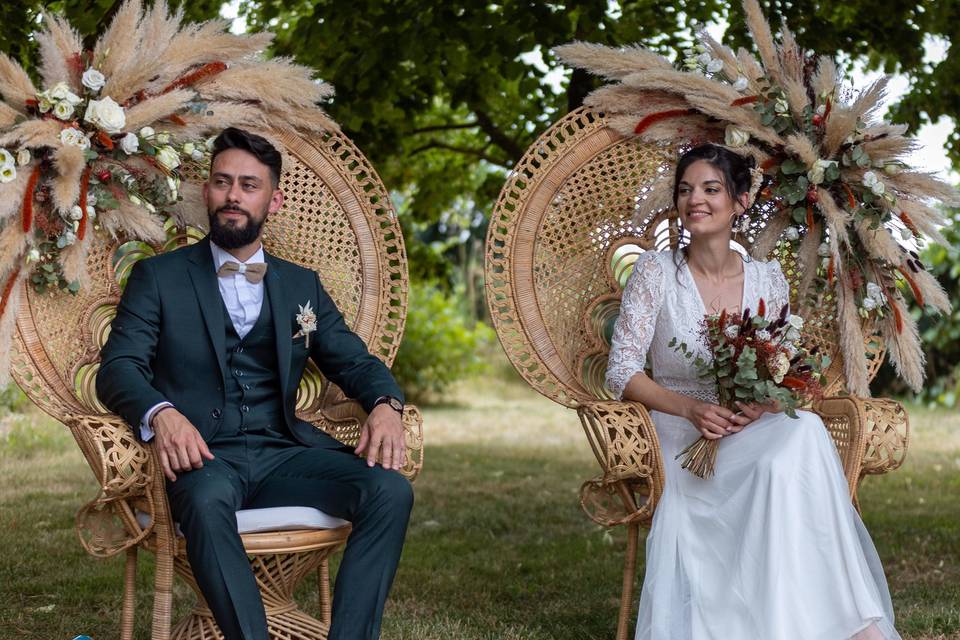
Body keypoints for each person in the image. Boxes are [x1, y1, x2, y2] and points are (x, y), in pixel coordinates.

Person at [96, 127, 413, 640]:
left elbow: (354, 361)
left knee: (388, 490)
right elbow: (119, 368)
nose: (233, 197)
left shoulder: (301, 285)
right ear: (207, 193)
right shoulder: (159, 277)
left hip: (282, 452)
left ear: (273, 199)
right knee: (203, 501)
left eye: (248, 185)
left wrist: (385, 403)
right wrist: (162, 414)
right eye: (222, 183)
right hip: (203, 457)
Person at [605, 143, 899, 640]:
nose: (695, 199)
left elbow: (786, 372)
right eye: (685, 190)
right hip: (681, 437)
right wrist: (692, 410)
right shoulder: (655, 273)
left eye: (711, 189)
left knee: (803, 430)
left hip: (748, 427)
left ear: (739, 202)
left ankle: (845, 624)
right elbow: (621, 372)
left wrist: (762, 403)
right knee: (792, 449)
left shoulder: (767, 279)